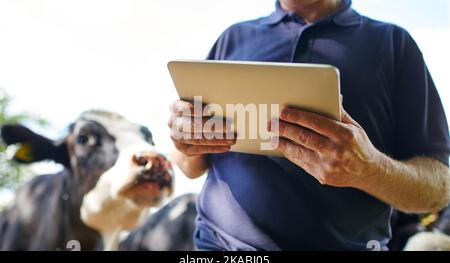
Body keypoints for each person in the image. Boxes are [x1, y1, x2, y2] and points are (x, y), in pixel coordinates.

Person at [168, 0, 450, 250]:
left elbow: (439, 190)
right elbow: (189, 165)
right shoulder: (233, 37)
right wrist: (184, 142)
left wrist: (369, 170)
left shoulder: (393, 43)